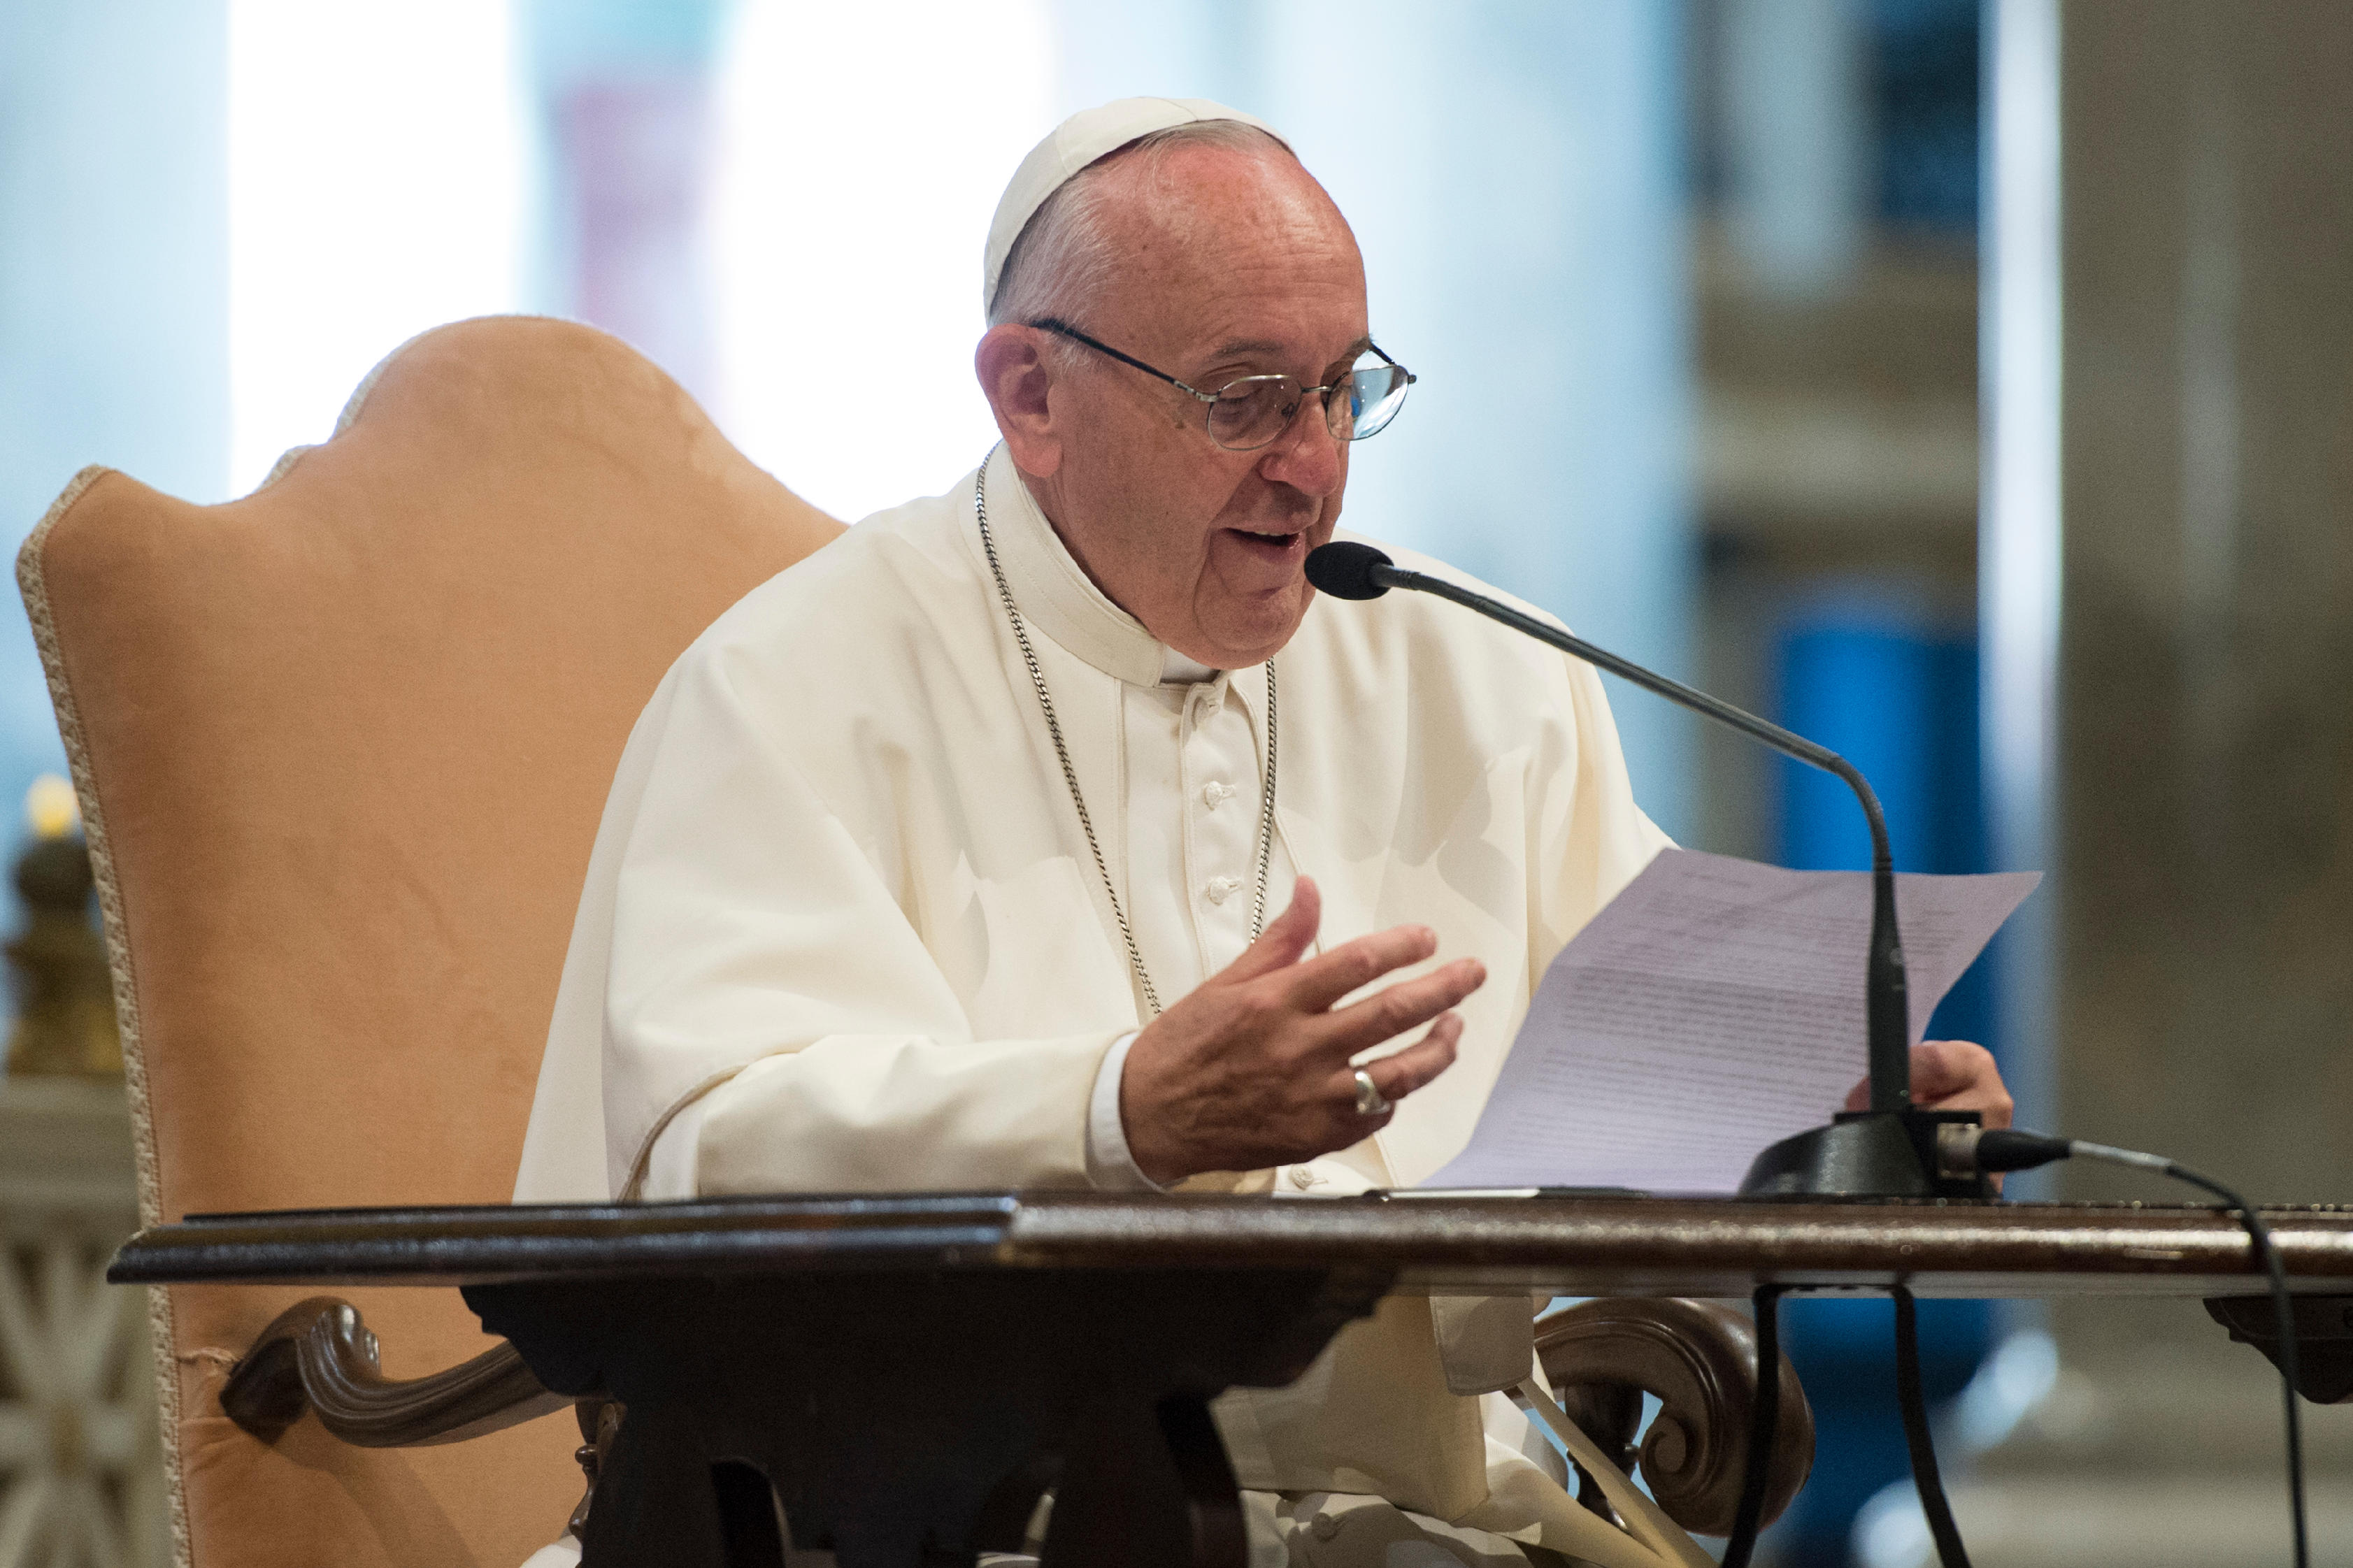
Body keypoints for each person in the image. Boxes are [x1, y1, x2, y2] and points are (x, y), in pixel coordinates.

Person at [514, 96, 2012, 1568]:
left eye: (1341, 388)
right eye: (1242, 397)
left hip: (1424, 1524)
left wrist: (1825, 1126)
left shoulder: (1473, 668)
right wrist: (1117, 1114)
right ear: (1030, 395)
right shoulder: (796, 679)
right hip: (936, 1531)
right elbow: (709, 1151)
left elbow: (1628, 1094)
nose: (1313, 464)